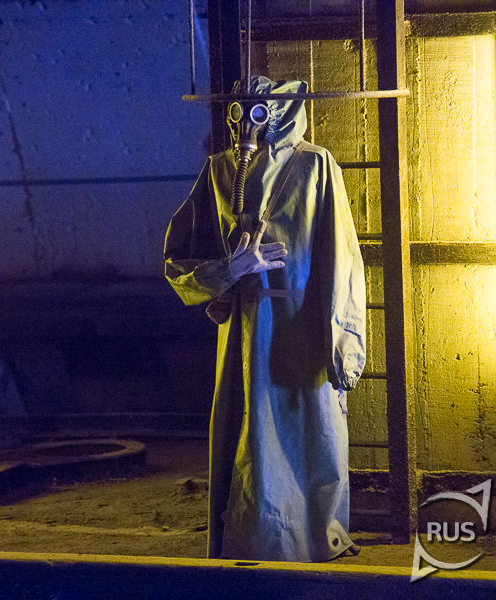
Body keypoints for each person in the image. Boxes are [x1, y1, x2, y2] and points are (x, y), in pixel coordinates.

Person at [164, 75, 366, 562]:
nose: (249, 120)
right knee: (250, 439)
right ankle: (257, 540)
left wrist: (344, 340)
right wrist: (230, 269)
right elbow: (179, 258)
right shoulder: (220, 170)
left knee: (310, 435)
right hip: (246, 328)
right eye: (242, 108)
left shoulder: (316, 164)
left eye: (260, 108)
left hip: (303, 326)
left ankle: (314, 537)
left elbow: (342, 257)